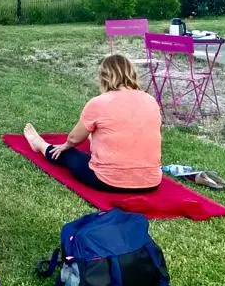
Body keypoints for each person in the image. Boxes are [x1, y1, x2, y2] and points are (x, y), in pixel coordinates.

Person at [23, 54, 162, 193]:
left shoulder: (100, 102)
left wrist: (65, 146)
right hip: (151, 182)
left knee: (67, 153)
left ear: (104, 77)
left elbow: (73, 139)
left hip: (109, 181)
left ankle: (39, 144)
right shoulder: (151, 101)